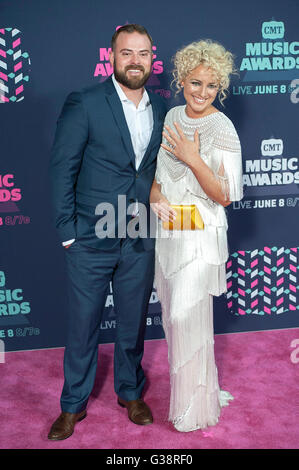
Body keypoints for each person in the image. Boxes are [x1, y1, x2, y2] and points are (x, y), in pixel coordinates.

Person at [48, 24, 166, 440]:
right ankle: (72, 404)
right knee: (84, 324)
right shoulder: (86, 102)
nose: (135, 61)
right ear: (112, 58)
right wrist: (68, 232)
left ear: (153, 58)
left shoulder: (163, 109)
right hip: (89, 236)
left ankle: (130, 392)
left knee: (133, 322)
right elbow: (62, 168)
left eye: (142, 53)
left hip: (138, 234)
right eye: (126, 53)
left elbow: (153, 173)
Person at [150, 39, 243, 432]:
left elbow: (226, 194)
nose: (202, 92)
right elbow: (158, 179)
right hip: (170, 231)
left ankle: (195, 410)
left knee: (186, 315)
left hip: (200, 237)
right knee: (173, 319)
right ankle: (191, 393)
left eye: (210, 85)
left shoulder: (221, 126)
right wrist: (155, 200)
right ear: (181, 80)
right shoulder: (172, 116)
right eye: (195, 83)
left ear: (219, 86)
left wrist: (192, 158)